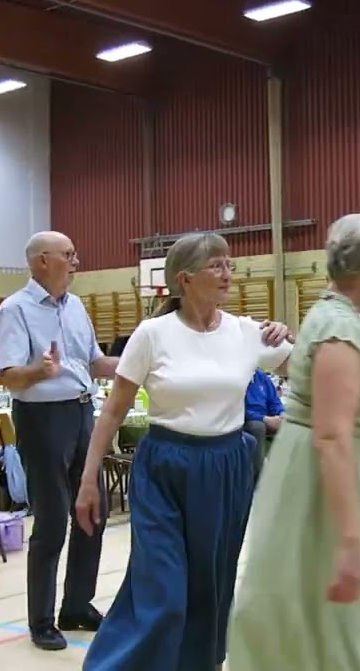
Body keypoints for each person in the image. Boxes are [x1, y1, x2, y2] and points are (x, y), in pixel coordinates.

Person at [73, 232, 291, 671]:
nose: (227, 273)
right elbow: (113, 410)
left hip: (227, 467)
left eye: (230, 264)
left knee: (211, 585)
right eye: (216, 265)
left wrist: (291, 335)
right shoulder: (152, 334)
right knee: (163, 592)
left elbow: (308, 367)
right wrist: (88, 481)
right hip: (164, 467)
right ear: (184, 279)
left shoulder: (248, 333)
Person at [225, 215, 360, 670]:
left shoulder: (343, 322)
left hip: (332, 494)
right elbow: (331, 436)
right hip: (322, 503)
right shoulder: (338, 329)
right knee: (330, 641)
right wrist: (348, 540)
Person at [0, 231, 117, 651]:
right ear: (41, 261)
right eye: (68, 254)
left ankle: (77, 605)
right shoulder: (15, 310)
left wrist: (141, 359)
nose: (76, 260)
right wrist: (36, 370)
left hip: (83, 412)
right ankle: (41, 620)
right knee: (52, 521)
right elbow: (9, 375)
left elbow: (94, 362)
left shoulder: (77, 307)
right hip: (42, 418)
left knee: (93, 510)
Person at [243, 367, 283, 480]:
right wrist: (264, 419)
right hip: (247, 421)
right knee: (257, 427)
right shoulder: (237, 378)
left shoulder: (261, 375)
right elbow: (238, 409)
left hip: (268, 418)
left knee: (290, 424)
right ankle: (257, 478)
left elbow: (274, 401)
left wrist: (281, 414)